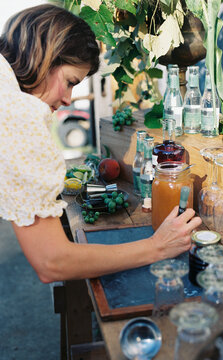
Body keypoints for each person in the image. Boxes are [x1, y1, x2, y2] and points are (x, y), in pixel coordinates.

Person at [0, 4, 202, 283]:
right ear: (44, 56)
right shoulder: (19, 113)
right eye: (70, 82)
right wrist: (157, 247)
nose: (69, 100)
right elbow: (52, 262)